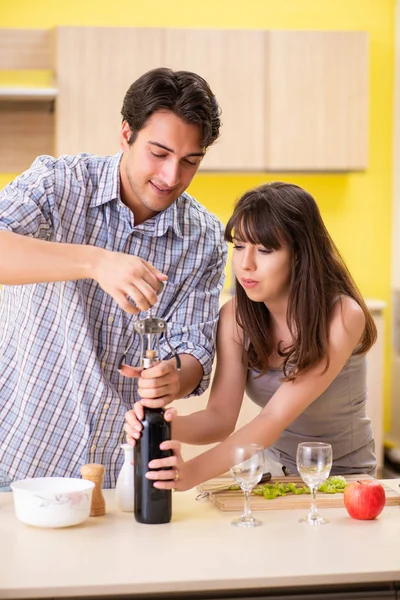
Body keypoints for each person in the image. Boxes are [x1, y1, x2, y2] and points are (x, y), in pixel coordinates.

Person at [0, 68, 227, 487]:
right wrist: (95, 262)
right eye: (158, 153)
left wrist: (175, 375)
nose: (171, 177)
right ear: (126, 134)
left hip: (121, 473)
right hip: (19, 456)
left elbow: (195, 349)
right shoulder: (59, 185)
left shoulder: (205, 238)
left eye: (190, 161)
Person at [125, 182, 378, 491]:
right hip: (273, 471)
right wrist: (159, 424)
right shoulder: (236, 317)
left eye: (264, 250)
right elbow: (219, 418)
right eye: (240, 246)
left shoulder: (341, 316)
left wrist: (191, 473)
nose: (246, 264)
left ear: (299, 254)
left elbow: (272, 418)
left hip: (344, 476)